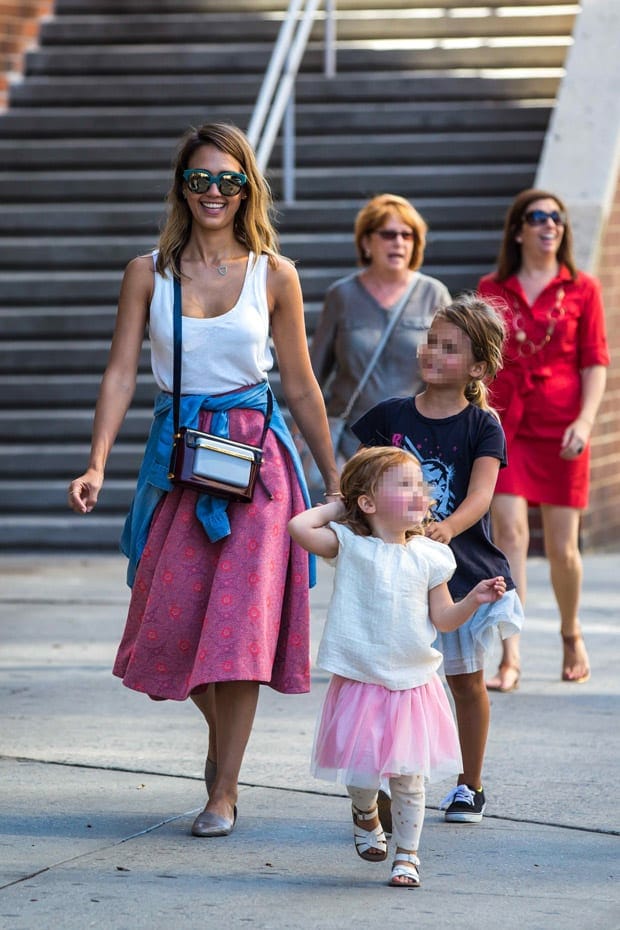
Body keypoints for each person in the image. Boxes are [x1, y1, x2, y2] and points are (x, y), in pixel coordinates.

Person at [67, 122, 340, 839]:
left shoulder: (274, 273)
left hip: (258, 464)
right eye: (200, 179)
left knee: (241, 629)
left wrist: (336, 471)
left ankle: (222, 790)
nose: (213, 192)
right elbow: (122, 372)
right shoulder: (147, 272)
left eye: (228, 179)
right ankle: (224, 766)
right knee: (178, 621)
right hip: (180, 459)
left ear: (247, 186)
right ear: (181, 188)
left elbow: (304, 386)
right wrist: (97, 461)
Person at [288, 446, 507, 888]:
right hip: (361, 679)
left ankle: (407, 855)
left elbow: (442, 618)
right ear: (367, 503)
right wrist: (340, 506)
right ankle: (366, 810)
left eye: (421, 487)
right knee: (362, 773)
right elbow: (298, 526)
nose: (419, 493)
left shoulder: (431, 556)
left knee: (409, 777)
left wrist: (473, 600)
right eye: (404, 485)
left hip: (412, 682)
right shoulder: (350, 545)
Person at [352, 296, 524, 825]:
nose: (433, 351)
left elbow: (480, 495)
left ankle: (469, 785)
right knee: (389, 682)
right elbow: (358, 477)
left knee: (464, 680)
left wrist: (446, 528)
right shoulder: (390, 416)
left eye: (450, 347)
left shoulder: (481, 426)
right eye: (431, 340)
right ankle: (385, 782)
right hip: (395, 578)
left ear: (477, 366)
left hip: (460, 572)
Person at [478, 189, 609, 691]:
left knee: (563, 549)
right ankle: (510, 654)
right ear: (518, 230)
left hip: (562, 430)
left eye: (557, 217)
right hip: (507, 425)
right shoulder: (493, 287)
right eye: (538, 217)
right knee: (509, 536)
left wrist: (585, 420)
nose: (549, 225)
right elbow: (483, 357)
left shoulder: (582, 288)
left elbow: (595, 361)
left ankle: (571, 632)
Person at [308, 193, 451, 463]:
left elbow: (453, 370)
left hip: (416, 440)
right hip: (350, 443)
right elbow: (313, 373)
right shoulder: (342, 295)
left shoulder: (434, 294)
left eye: (407, 235)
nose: (398, 242)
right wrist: (303, 429)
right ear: (366, 242)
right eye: (388, 234)